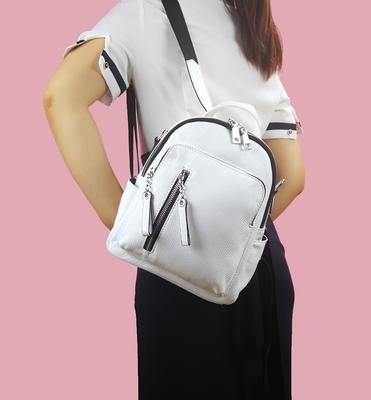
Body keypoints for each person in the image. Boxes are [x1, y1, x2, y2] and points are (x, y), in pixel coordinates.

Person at [43, 0, 306, 399]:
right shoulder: (254, 30)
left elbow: (60, 97)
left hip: (180, 262)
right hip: (260, 266)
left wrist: (127, 219)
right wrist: (233, 236)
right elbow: (293, 174)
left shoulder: (147, 10)